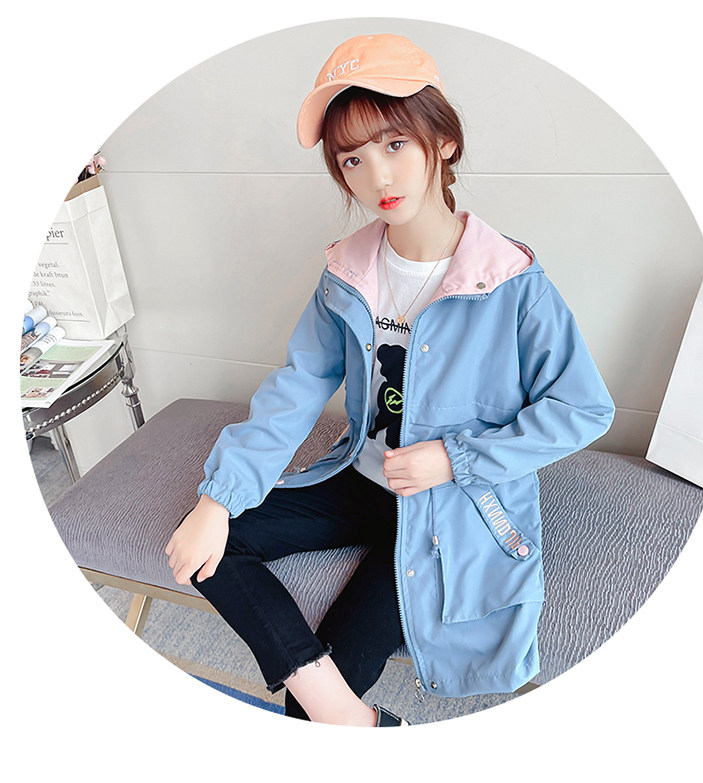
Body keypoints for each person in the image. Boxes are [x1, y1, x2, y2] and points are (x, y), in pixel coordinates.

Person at [164, 33, 616, 727]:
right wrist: (218, 497)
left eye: (396, 144)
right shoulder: (347, 273)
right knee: (204, 544)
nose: (378, 176)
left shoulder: (513, 283)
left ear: (444, 142)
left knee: (304, 716)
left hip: (452, 507)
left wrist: (454, 459)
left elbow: (583, 408)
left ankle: (337, 717)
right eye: (353, 158)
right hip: (359, 479)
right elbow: (296, 386)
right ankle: (356, 722)